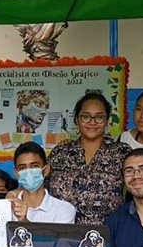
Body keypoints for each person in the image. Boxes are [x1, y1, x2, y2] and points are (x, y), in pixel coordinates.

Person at [47, 93, 131, 225]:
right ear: (76, 119)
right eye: (86, 116)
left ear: (107, 120)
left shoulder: (121, 152)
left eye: (99, 117)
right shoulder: (60, 152)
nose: (92, 122)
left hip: (107, 235)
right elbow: (41, 189)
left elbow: (139, 183)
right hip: (62, 236)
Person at [7, 141, 76, 224]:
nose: (29, 171)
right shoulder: (6, 207)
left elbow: (55, 237)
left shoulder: (64, 209)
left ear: (46, 170)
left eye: (34, 166)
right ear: (16, 173)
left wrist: (24, 221)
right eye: (23, 167)